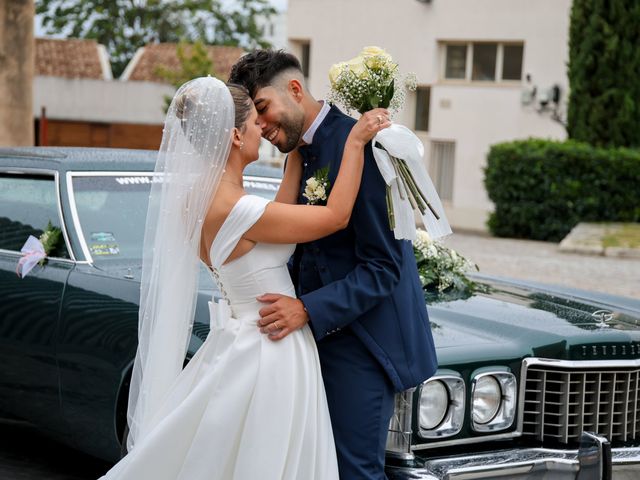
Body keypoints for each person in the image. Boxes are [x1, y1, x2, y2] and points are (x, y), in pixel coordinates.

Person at [98, 77, 389, 480]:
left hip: (241, 338)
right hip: (272, 350)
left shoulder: (197, 203)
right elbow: (335, 217)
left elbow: (274, 219)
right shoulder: (238, 208)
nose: (263, 131)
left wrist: (297, 152)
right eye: (255, 123)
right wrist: (355, 143)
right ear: (235, 135)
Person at [229, 51, 438, 480]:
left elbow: (384, 265)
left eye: (263, 109)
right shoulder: (297, 157)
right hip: (307, 342)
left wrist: (307, 309)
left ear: (294, 89)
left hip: (362, 342)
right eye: (254, 118)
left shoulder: (362, 144)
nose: (261, 126)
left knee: (353, 472)